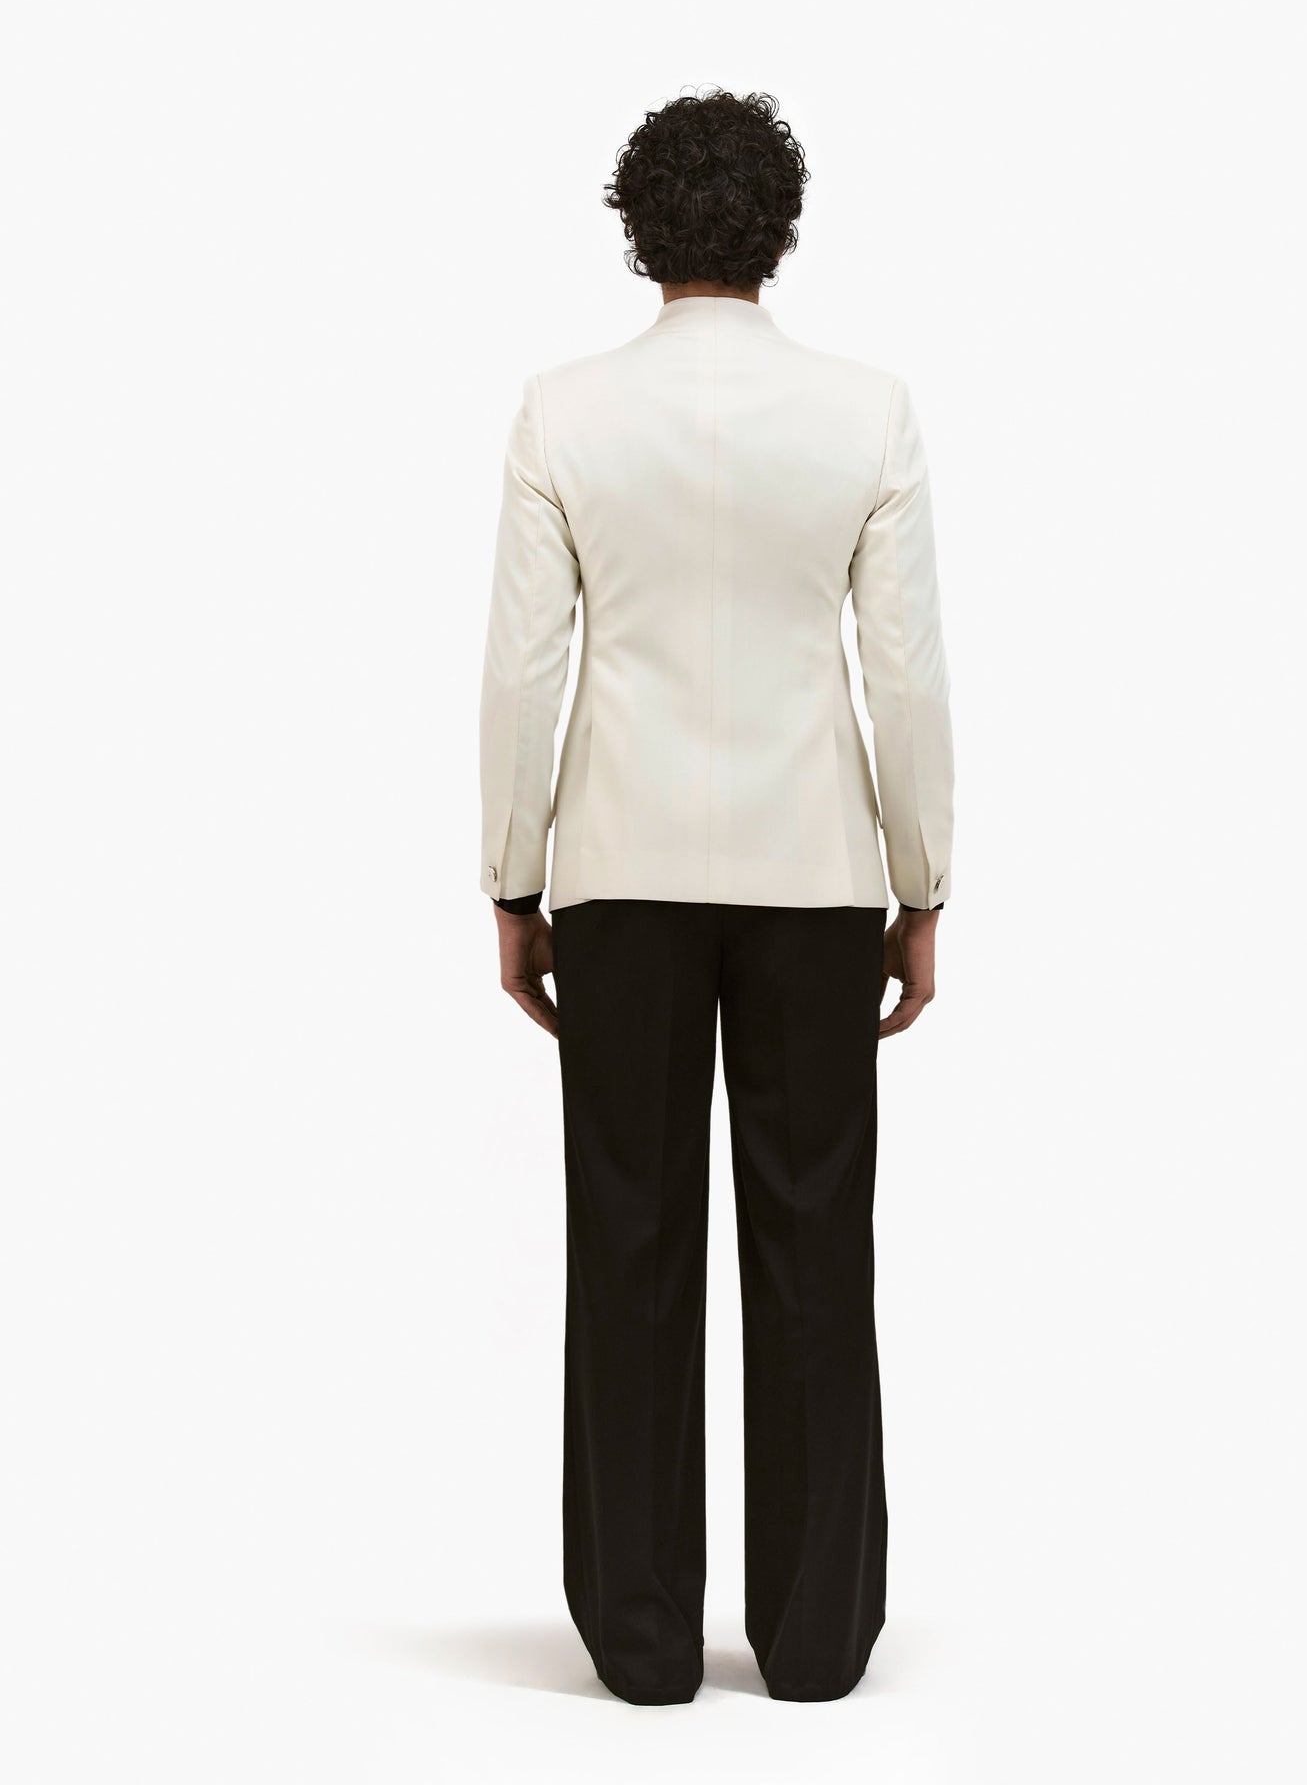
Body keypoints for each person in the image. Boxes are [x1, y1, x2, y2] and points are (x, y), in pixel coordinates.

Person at [479, 87, 955, 1705]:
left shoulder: (561, 415)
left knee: (626, 1239)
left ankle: (637, 1640)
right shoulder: (866, 415)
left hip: (615, 878)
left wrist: (513, 881)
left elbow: (521, 673)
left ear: (637, 227)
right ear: (780, 227)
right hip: (814, 880)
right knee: (814, 1241)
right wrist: (920, 885)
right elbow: (905, 675)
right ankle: (814, 1642)